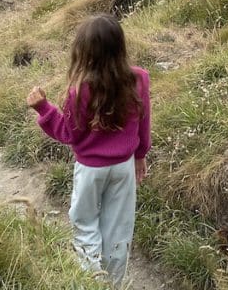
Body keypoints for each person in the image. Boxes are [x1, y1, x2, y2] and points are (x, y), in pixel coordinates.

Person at [27, 15, 151, 287]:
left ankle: (92, 282)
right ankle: (113, 284)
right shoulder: (139, 78)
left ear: (84, 51)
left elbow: (68, 133)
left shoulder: (80, 90)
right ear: (120, 46)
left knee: (85, 224)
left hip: (91, 169)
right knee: (119, 228)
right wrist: (140, 155)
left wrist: (43, 108)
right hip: (123, 167)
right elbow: (144, 122)